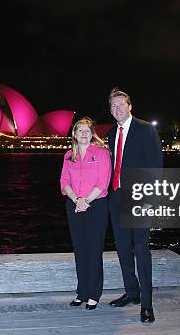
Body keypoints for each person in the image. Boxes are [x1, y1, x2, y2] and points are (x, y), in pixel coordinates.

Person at [106, 88, 163, 323]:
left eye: (121, 105)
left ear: (130, 106)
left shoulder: (145, 128)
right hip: (117, 197)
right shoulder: (111, 133)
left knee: (141, 249)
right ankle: (132, 292)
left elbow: (156, 166)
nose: (117, 109)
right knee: (122, 249)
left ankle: (147, 304)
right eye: (113, 106)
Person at [60, 117, 111, 310]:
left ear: (92, 134)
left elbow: (102, 182)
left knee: (94, 250)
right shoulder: (68, 156)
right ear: (74, 134)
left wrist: (86, 201)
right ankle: (81, 292)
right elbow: (64, 182)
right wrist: (76, 200)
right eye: (79, 130)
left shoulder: (101, 153)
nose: (83, 134)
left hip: (95, 206)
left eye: (87, 131)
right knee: (80, 251)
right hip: (74, 206)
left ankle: (94, 294)